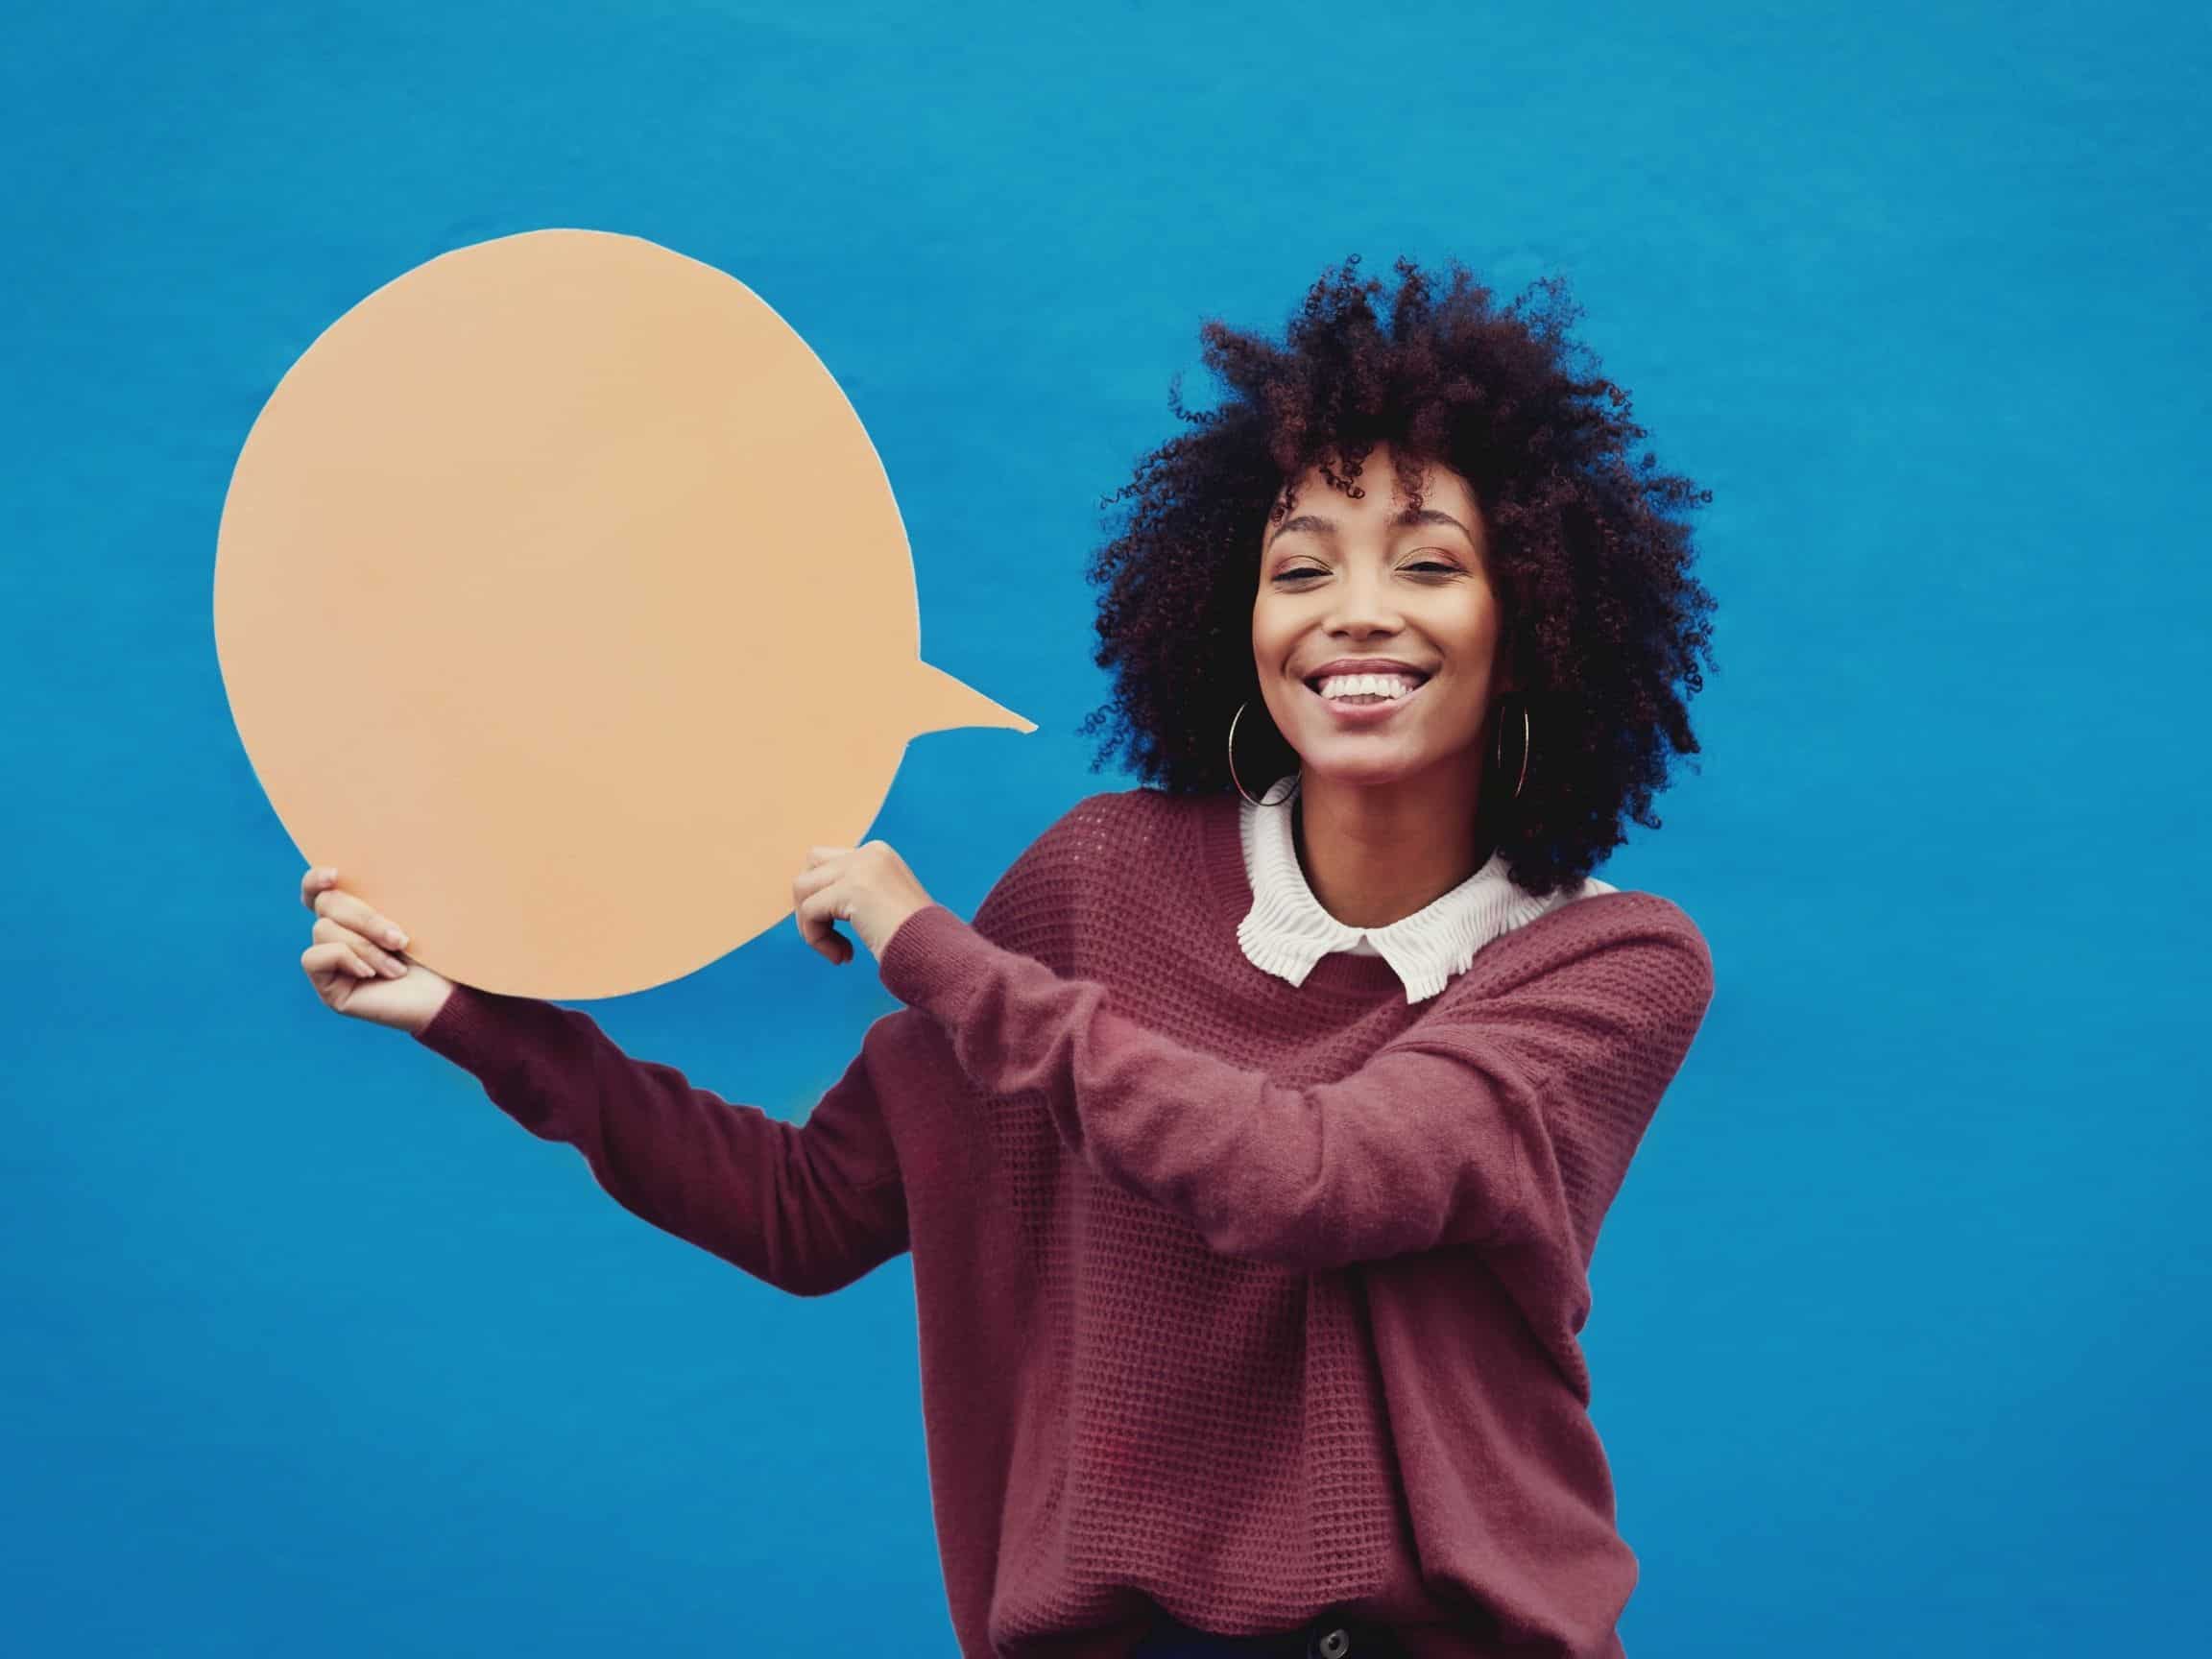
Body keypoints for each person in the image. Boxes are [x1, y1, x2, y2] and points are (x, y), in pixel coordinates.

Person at [298, 253, 1719, 1659]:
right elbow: (806, 1210)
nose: (1355, 609)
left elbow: (1318, 1175)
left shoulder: (1604, 965)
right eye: (1301, 567)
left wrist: (933, 949)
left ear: (1528, 621)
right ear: (1244, 618)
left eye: (1429, 563)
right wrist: (474, 1017)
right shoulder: (1099, 878)